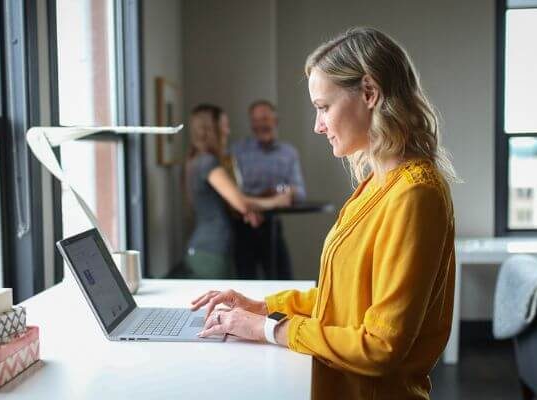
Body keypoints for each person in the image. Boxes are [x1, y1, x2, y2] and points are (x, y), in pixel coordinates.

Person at [190, 27, 458, 400]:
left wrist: (268, 328)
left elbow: (380, 346)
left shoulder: (415, 194)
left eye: (323, 107)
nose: (318, 126)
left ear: (369, 93)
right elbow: (344, 301)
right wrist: (263, 306)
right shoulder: (378, 183)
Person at [184, 104, 292, 279]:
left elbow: (229, 204)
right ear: (211, 129)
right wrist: (278, 201)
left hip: (208, 249)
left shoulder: (198, 160)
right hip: (211, 251)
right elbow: (240, 201)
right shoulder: (208, 163)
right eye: (224, 125)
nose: (228, 131)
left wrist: (246, 212)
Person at [230, 100, 307, 279]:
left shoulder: (289, 153)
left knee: (283, 280)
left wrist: (283, 191)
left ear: (275, 120)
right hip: (243, 226)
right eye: (255, 120)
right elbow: (232, 192)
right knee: (245, 283)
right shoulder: (236, 151)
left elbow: (300, 193)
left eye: (264, 118)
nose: (260, 124)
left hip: (272, 227)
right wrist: (263, 200)